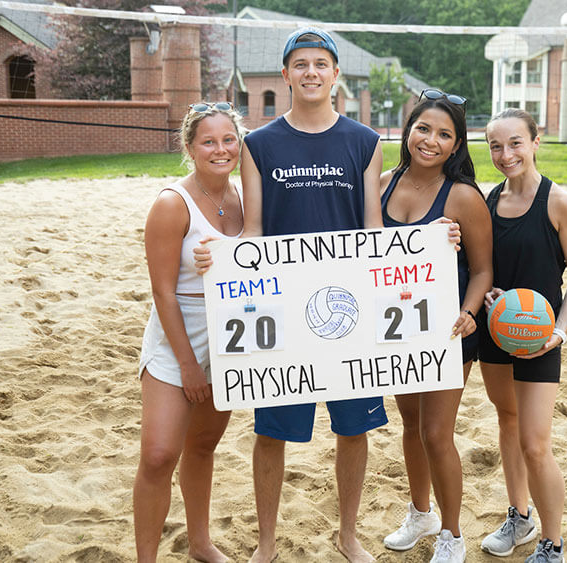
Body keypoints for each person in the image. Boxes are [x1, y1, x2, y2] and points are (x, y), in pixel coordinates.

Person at [240, 27, 386, 563]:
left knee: (354, 429)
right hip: (282, 311)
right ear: (285, 74)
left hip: (346, 310)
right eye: (300, 64)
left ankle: (348, 536)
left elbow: (372, 231)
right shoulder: (258, 146)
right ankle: (267, 543)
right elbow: (253, 233)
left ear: (335, 75)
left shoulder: (364, 142)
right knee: (272, 432)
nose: (310, 73)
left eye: (320, 64)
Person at [378, 89, 492, 563]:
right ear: (408, 131)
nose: (431, 140)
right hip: (397, 328)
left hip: (448, 332)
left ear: (456, 145)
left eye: (444, 134)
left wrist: (469, 312)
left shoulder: (462, 196)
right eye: (423, 128)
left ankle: (452, 533)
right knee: (409, 425)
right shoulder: (382, 183)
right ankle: (420, 512)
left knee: (436, 433)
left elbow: (484, 269)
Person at [133, 102, 246, 563]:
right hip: (176, 339)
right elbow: (162, 294)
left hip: (228, 340)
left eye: (228, 140)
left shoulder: (244, 196)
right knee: (160, 455)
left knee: (202, 446)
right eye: (209, 141)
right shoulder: (170, 203)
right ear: (189, 147)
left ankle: (200, 544)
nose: (220, 149)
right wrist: (186, 365)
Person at [476, 108, 567, 563]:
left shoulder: (560, 203)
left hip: (540, 338)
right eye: (496, 147)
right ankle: (519, 517)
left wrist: (560, 331)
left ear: (536, 142)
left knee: (536, 444)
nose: (506, 155)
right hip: (497, 333)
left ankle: (552, 543)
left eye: (515, 143)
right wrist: (489, 296)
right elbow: (484, 270)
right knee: (507, 420)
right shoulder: (487, 201)